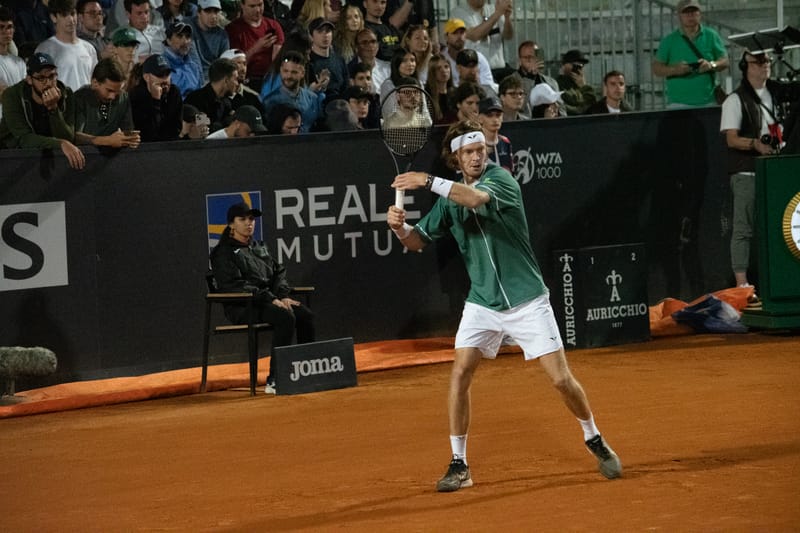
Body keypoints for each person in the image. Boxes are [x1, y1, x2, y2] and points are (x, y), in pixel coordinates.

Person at [385, 120, 622, 492]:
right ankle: (460, 464)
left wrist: (427, 181)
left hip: (527, 300)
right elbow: (416, 243)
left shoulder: (502, 180)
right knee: (460, 373)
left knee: (561, 379)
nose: (479, 156)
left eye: (481, 149)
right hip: (483, 303)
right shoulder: (450, 201)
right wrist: (399, 228)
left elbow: (476, 199)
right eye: (469, 151)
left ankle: (592, 435)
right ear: (456, 158)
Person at [210, 201, 315, 394]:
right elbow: (235, 286)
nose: (249, 223)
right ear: (231, 224)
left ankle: (306, 372)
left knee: (304, 315)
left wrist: (283, 296)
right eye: (242, 219)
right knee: (284, 317)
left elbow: (278, 272)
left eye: (251, 219)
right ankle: (276, 379)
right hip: (242, 307)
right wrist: (269, 297)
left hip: (267, 302)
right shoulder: (222, 253)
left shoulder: (259, 247)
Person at [719, 51, 799, 295]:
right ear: (746, 67)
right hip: (747, 172)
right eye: (759, 62)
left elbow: (777, 129)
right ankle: (741, 283)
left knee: (775, 225)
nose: (765, 66)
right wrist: (756, 144)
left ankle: (774, 279)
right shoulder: (735, 100)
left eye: (767, 62)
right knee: (744, 228)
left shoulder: (775, 96)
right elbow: (731, 139)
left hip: (773, 171)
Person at [0, 52, 85, 169]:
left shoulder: (66, 94)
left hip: (48, 155)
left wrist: (53, 109)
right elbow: (24, 139)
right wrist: (60, 143)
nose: (49, 83)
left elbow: (68, 137)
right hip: (11, 156)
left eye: (52, 76)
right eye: (41, 78)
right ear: (29, 80)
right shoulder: (12, 96)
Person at [651, 0, 728, 108]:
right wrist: (675, 70)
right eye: (686, 12)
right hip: (678, 104)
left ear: (700, 14)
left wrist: (711, 65)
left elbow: (724, 61)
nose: (690, 15)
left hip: (708, 101)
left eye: (694, 11)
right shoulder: (669, 40)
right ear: (679, 16)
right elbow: (656, 68)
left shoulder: (711, 35)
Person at [73, 57, 141, 148]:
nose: (112, 96)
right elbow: (74, 136)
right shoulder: (80, 98)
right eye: (109, 90)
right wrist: (106, 140)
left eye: (117, 91)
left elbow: (127, 130)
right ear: (95, 83)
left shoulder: (123, 98)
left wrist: (130, 139)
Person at [34, 0, 98, 92]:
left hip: (86, 104)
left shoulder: (89, 48)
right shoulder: (45, 49)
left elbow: (95, 82)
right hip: (61, 104)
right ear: (53, 17)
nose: (71, 19)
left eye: (72, 14)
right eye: (64, 15)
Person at [225, 0, 285, 91]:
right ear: (242, 5)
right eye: (252, 6)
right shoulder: (233, 30)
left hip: (271, 79)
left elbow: (277, 60)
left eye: (260, 5)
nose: (258, 10)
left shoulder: (273, 25)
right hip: (246, 80)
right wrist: (257, 47)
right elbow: (236, 67)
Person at [261, 49, 324, 133]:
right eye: (285, 71)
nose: (289, 76)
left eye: (294, 72)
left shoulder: (313, 99)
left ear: (302, 73)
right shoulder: (270, 101)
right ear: (280, 70)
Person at [450, 0, 513, 79]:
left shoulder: (493, 9)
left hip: (499, 68)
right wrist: (498, 13)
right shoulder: (458, 13)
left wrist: (507, 18)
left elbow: (508, 36)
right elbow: (475, 35)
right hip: (477, 72)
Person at [129, 53, 183, 141]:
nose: (165, 79)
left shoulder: (174, 93)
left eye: (167, 74)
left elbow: (176, 129)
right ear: (146, 77)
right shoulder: (136, 96)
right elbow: (147, 133)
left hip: (169, 146)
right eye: (160, 75)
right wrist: (156, 101)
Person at [440, 18, 495, 92]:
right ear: (446, 37)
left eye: (462, 32)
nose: (459, 36)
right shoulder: (441, 59)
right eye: (455, 33)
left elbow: (488, 87)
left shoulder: (478, 57)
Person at [184, 57, 238, 131]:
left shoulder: (226, 103)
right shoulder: (196, 101)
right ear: (226, 80)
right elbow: (204, 130)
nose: (237, 83)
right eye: (235, 79)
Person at [186, 0, 231, 82]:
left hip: (213, 79)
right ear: (199, 12)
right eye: (208, 11)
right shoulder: (187, 25)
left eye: (216, 11)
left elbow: (224, 64)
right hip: (190, 76)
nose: (213, 16)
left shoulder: (222, 35)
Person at [516, 39, 560, 116]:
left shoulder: (551, 82)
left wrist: (557, 113)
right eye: (528, 57)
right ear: (520, 60)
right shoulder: (512, 80)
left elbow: (562, 109)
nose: (532, 60)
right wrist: (530, 76)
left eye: (535, 57)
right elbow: (519, 106)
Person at [307, 17, 347, 100]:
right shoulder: (307, 62)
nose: (325, 35)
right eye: (320, 31)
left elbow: (346, 87)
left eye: (328, 31)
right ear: (311, 36)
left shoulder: (339, 60)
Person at [162, 20, 203, 97]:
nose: (185, 41)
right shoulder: (162, 64)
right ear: (168, 41)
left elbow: (199, 94)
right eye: (179, 36)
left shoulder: (193, 66)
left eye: (187, 37)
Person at [0, 7, 26, 120]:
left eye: (9, 27)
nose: (6, 32)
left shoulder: (19, 62)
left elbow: (27, 93)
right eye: (1, 27)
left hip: (18, 121)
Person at [347, 27, 389, 92]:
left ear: (378, 46)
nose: (370, 45)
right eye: (364, 42)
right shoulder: (348, 70)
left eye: (373, 41)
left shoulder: (387, 68)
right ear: (356, 48)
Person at [556, 49, 596, 115]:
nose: (578, 69)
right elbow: (568, 109)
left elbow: (593, 107)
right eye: (575, 65)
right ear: (564, 65)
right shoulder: (557, 84)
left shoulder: (581, 85)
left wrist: (583, 86)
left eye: (581, 66)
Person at [477, 95, 511, 172]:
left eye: (498, 115)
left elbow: (511, 173)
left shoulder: (505, 142)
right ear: (480, 118)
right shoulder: (474, 144)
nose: (495, 120)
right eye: (490, 116)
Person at [424, 52, 452, 123]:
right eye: (438, 68)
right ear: (432, 72)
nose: (444, 71)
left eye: (446, 67)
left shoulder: (455, 93)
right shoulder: (426, 95)